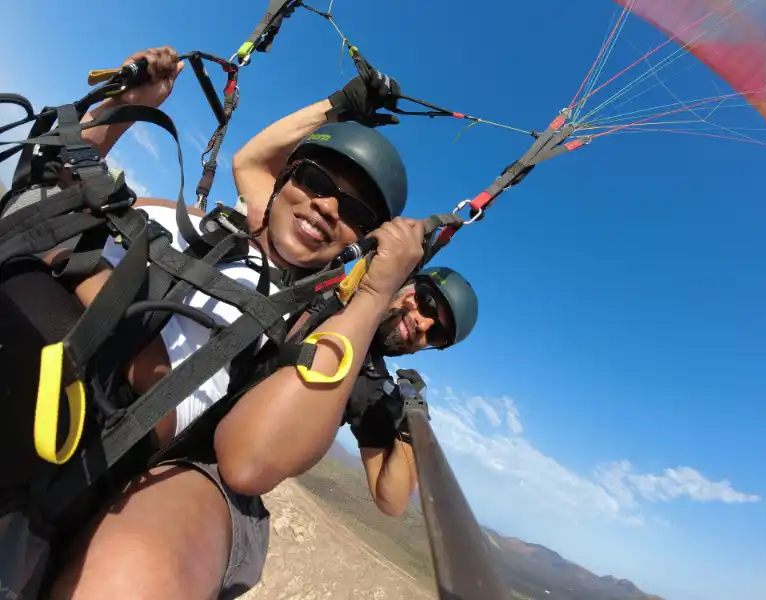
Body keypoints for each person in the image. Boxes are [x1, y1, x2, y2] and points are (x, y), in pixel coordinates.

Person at [43, 57, 419, 600]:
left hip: (161, 448)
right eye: (315, 180)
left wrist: (380, 291)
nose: (327, 206)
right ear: (286, 180)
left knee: (129, 572)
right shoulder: (194, 225)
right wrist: (130, 106)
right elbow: (49, 209)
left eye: (356, 213)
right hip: (64, 378)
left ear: (361, 244)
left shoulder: (318, 324)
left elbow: (247, 461)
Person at [344, 267, 479, 516]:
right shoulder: (331, 294)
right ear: (406, 284)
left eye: (436, 333)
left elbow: (391, 502)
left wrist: (408, 430)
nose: (423, 324)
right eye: (427, 303)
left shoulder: (370, 383)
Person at [0, 46, 185, 219]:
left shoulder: (173, 219)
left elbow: (56, 193)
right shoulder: (164, 213)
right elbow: (53, 189)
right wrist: (124, 104)